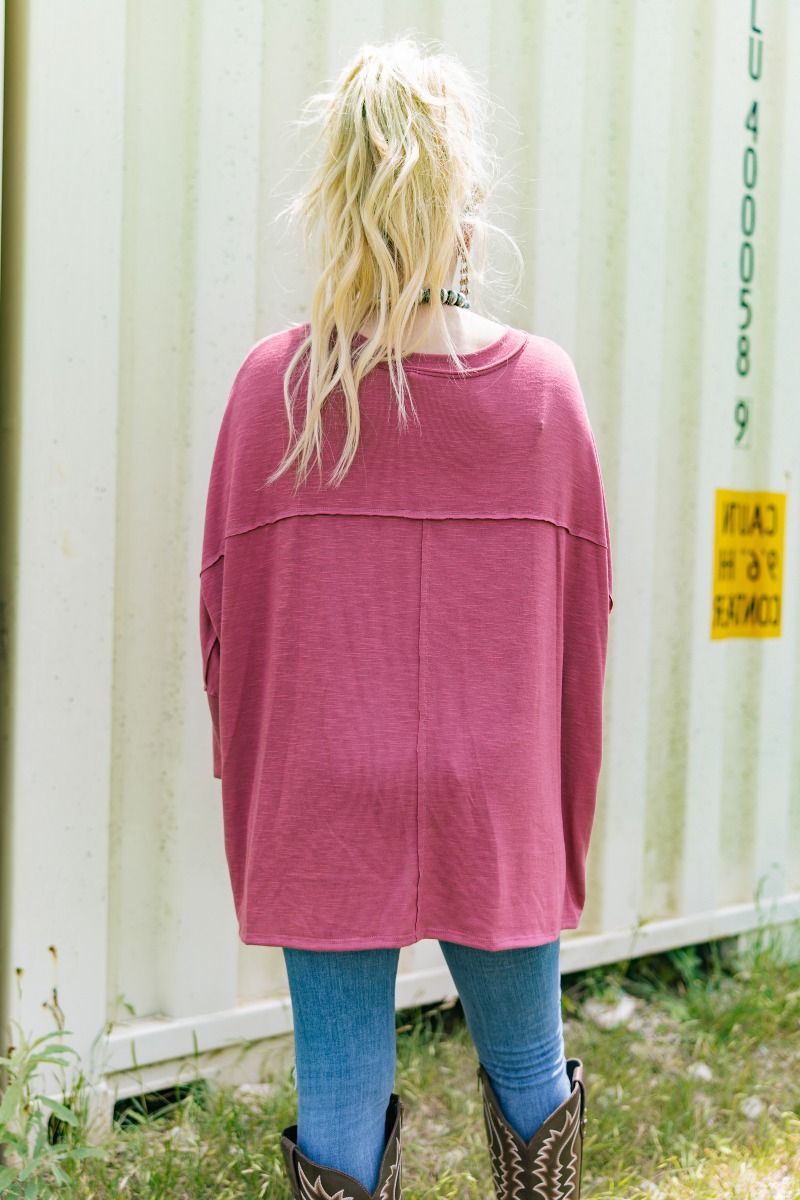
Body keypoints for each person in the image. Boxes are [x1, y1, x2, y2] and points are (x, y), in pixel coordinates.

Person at [199, 35, 612, 1200]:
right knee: (526, 1066)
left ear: (334, 196)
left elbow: (224, 626)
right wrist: (552, 808)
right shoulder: (542, 391)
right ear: (464, 203)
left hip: (323, 784)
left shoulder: (274, 387)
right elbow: (581, 633)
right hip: (495, 786)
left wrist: (264, 786)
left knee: (338, 1088)